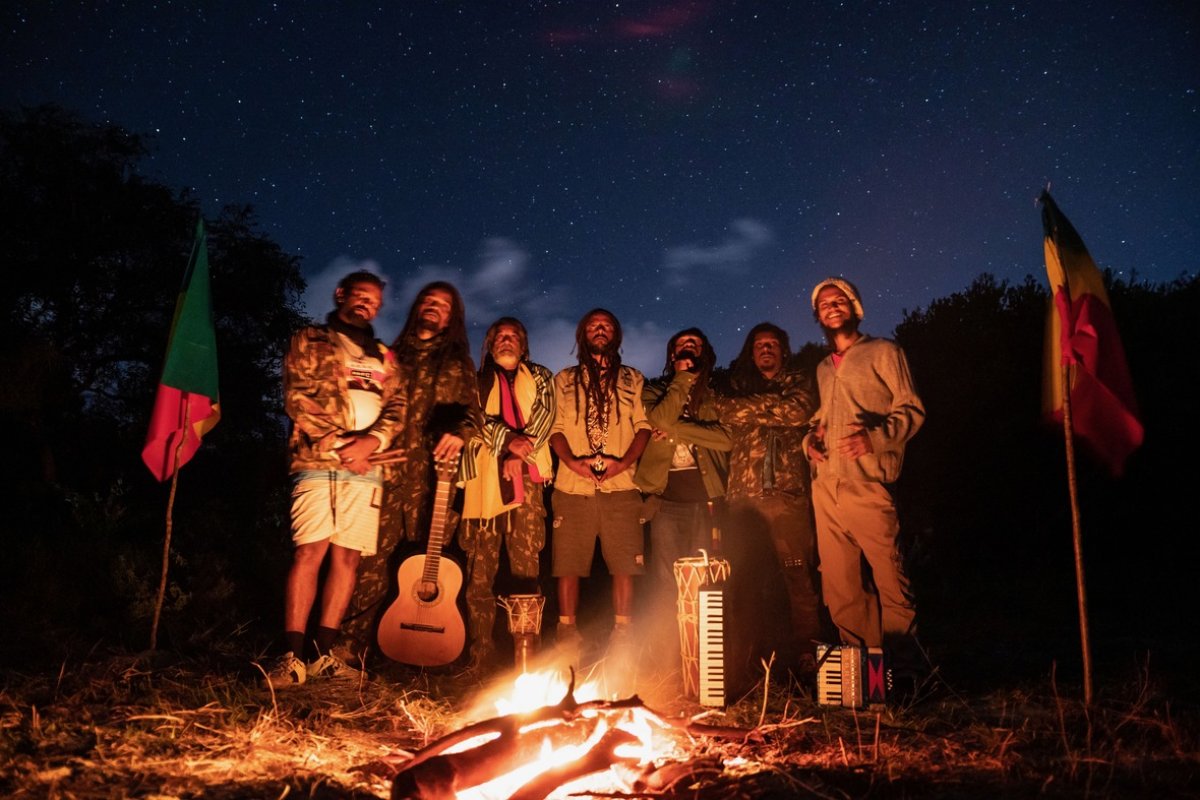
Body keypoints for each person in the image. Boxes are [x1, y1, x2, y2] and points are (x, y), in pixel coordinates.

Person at [265, 271, 405, 688]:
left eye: (375, 302)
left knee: (348, 558)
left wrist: (372, 442)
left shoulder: (384, 355)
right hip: (319, 460)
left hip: (369, 466)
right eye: (361, 296)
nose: (368, 305)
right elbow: (296, 396)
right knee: (310, 551)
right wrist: (342, 443)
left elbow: (397, 405)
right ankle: (291, 656)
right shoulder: (310, 339)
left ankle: (323, 654)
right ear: (342, 294)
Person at [340, 281, 481, 659]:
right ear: (418, 307)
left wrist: (459, 432)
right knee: (371, 561)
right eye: (429, 301)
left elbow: (474, 414)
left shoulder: (457, 361)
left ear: (452, 317)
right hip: (385, 472)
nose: (435, 307)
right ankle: (353, 648)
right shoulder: (389, 356)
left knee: (424, 567)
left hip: (437, 478)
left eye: (444, 305)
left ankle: (422, 649)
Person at [804, 277, 926, 685]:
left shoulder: (884, 351)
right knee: (840, 588)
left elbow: (912, 410)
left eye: (840, 301)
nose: (832, 307)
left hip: (869, 485)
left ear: (855, 307)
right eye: (824, 304)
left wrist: (873, 439)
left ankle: (904, 674)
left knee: (891, 581)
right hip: (826, 489)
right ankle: (865, 680)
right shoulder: (823, 368)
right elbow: (823, 417)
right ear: (818, 316)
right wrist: (810, 441)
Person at [715, 322, 824, 678]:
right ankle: (747, 655)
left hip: (787, 495)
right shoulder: (736, 384)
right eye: (759, 344)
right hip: (743, 501)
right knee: (745, 579)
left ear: (783, 350)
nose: (766, 349)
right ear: (751, 350)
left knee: (798, 577)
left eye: (772, 344)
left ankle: (807, 654)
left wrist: (747, 409)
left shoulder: (799, 380)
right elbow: (722, 411)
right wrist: (771, 406)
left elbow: (798, 411)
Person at [549, 309, 651, 662]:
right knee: (568, 563)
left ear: (617, 334)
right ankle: (567, 634)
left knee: (624, 564)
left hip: (621, 486)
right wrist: (572, 462)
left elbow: (643, 427)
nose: (600, 329)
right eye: (593, 324)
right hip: (572, 486)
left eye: (607, 324)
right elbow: (556, 429)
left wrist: (622, 463)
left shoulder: (633, 379)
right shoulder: (564, 379)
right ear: (582, 333)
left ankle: (623, 634)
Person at [459, 317, 555, 670]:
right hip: (483, 481)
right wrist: (506, 443)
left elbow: (545, 417)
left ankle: (526, 658)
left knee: (526, 573)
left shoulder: (542, 376)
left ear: (524, 344)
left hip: (527, 479)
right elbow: (476, 420)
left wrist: (516, 452)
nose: (506, 340)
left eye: (514, 335)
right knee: (479, 571)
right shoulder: (476, 381)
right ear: (489, 343)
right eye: (499, 335)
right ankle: (480, 656)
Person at [634, 328, 730, 650]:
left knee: (704, 579)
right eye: (682, 343)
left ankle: (703, 652)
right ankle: (670, 652)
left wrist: (673, 426)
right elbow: (657, 417)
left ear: (705, 351)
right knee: (666, 580)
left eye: (696, 344)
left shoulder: (716, 393)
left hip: (704, 500)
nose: (689, 346)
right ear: (672, 353)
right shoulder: (654, 390)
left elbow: (726, 438)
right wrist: (682, 380)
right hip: (665, 501)